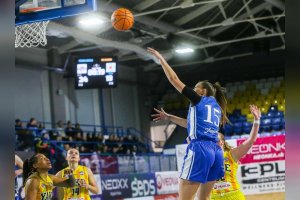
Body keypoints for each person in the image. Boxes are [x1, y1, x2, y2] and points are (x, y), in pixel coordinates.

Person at [148, 47, 229, 200]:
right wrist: (169, 117)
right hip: (216, 152)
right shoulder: (216, 107)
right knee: (204, 198)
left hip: (200, 149)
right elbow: (191, 124)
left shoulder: (198, 99)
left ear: (203, 91)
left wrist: (161, 59)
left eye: (196, 87)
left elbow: (174, 79)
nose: (193, 89)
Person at [207, 104, 261, 200]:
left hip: (234, 195)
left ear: (222, 142)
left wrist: (256, 120)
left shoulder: (231, 154)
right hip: (214, 197)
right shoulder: (206, 158)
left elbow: (251, 140)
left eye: (216, 140)